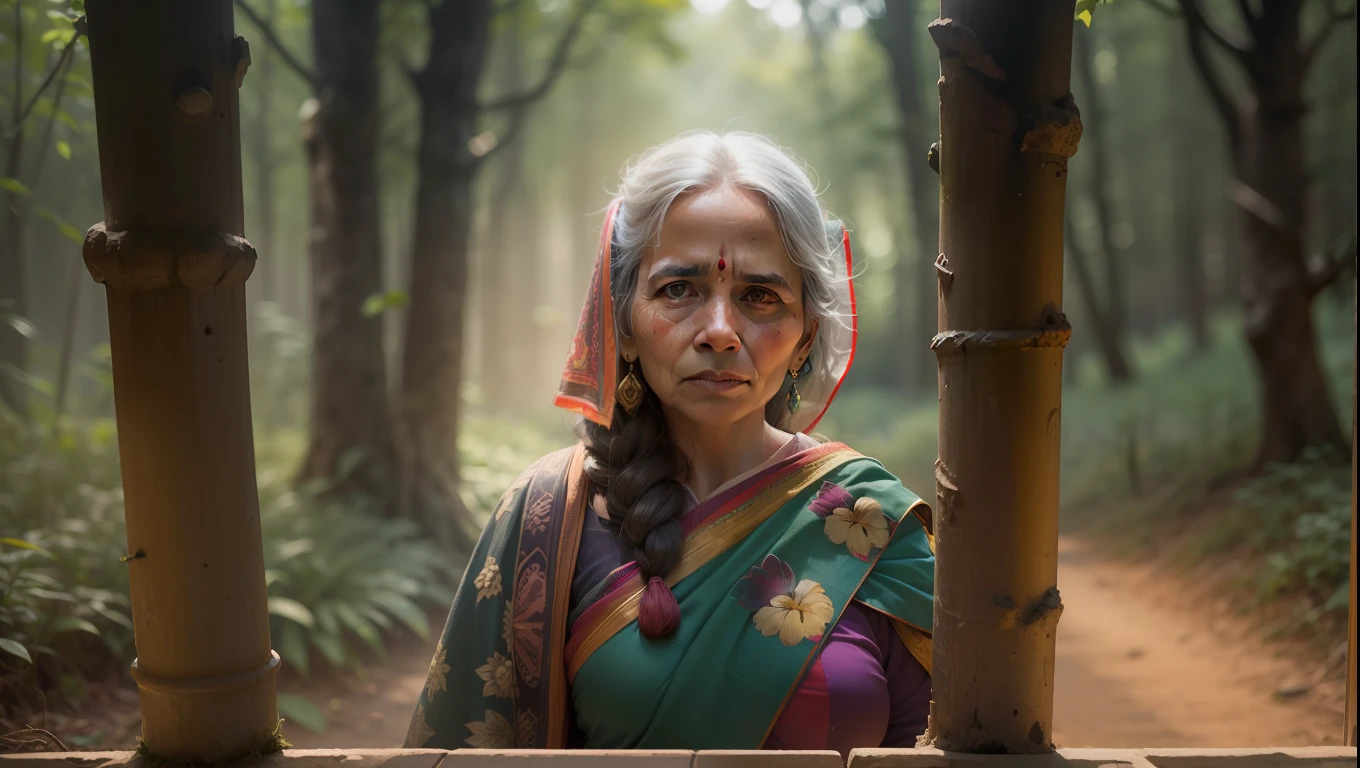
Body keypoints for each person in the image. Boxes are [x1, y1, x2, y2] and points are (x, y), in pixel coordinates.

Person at [405, 131, 934, 756]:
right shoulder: (551, 515)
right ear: (622, 319)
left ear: (805, 334)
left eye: (759, 296)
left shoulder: (871, 522)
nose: (718, 331)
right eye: (677, 289)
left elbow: (934, 748)